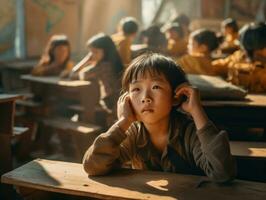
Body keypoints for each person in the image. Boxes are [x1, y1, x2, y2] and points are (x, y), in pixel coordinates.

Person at [83, 53, 236, 182]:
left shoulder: (189, 133)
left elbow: (222, 173)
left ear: (176, 96)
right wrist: (124, 121)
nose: (145, 98)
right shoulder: (134, 133)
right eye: (136, 89)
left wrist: (197, 111)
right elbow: (93, 166)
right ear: (126, 99)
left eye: (156, 87)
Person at [73, 33, 124, 113]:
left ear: (106, 51)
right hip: (118, 100)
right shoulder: (114, 63)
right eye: (91, 52)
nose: (92, 55)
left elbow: (75, 74)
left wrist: (86, 60)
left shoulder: (103, 67)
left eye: (95, 52)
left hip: (113, 103)